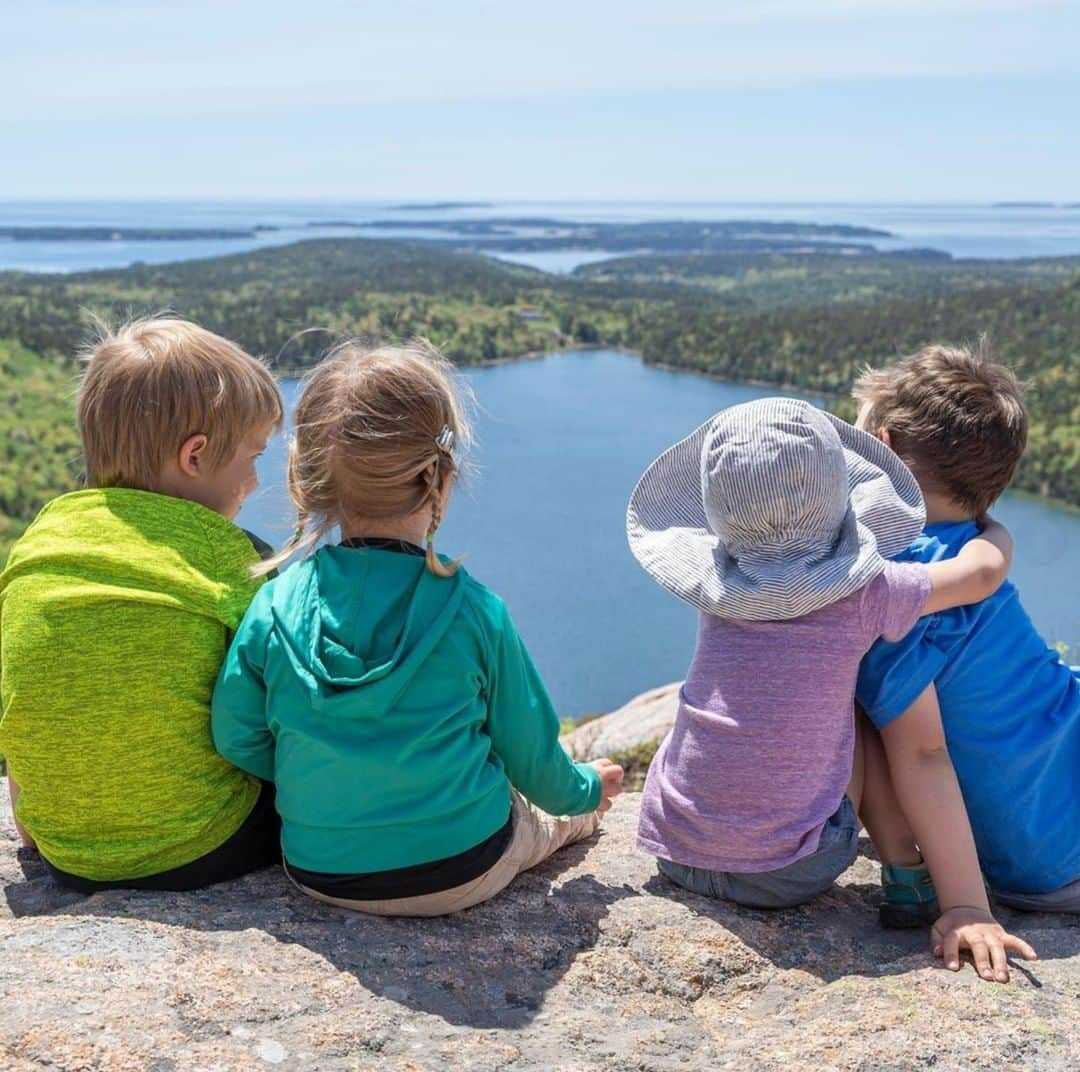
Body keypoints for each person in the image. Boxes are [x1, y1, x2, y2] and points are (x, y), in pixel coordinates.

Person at [628, 396, 1036, 981]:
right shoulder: (864, 591)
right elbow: (980, 574)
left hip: (674, 852)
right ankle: (906, 874)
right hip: (789, 873)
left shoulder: (714, 579)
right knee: (864, 700)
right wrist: (991, 526)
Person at [211, 340, 623, 916]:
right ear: (439, 478)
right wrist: (585, 790)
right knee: (553, 815)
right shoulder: (475, 610)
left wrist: (324, 774)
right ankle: (586, 814)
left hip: (318, 869)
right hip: (466, 864)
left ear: (308, 479)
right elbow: (535, 766)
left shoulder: (273, 606)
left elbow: (237, 737)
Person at [0, 316, 284, 891]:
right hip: (203, 844)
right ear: (196, 456)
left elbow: (23, 688)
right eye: (253, 457)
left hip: (65, 852)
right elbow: (280, 707)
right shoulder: (231, 556)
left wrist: (36, 826)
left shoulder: (40, 544)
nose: (255, 481)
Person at [855, 340, 1080, 914]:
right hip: (1057, 835)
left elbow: (921, 754)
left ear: (881, 448)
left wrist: (964, 907)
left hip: (1045, 859)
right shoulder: (968, 555)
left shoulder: (885, 585)